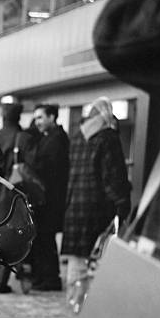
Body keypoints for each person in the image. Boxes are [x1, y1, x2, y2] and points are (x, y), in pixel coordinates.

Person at [61, 97, 131, 304]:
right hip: (99, 208)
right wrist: (122, 203)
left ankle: (75, 301)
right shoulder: (108, 137)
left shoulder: (76, 138)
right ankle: (94, 307)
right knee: (99, 260)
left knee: (77, 260)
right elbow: (113, 176)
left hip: (74, 206)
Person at [0, 102, 34, 293]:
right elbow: (30, 169)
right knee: (18, 235)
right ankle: (20, 272)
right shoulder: (23, 138)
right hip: (13, 194)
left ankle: (1, 281)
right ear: (19, 117)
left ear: (4, 117)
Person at [30, 103, 70, 291]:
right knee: (44, 239)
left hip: (50, 200)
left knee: (46, 238)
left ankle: (50, 278)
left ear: (52, 117)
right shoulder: (48, 138)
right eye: (36, 117)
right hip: (45, 199)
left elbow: (52, 171)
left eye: (40, 117)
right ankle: (45, 277)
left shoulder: (58, 140)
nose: (37, 121)